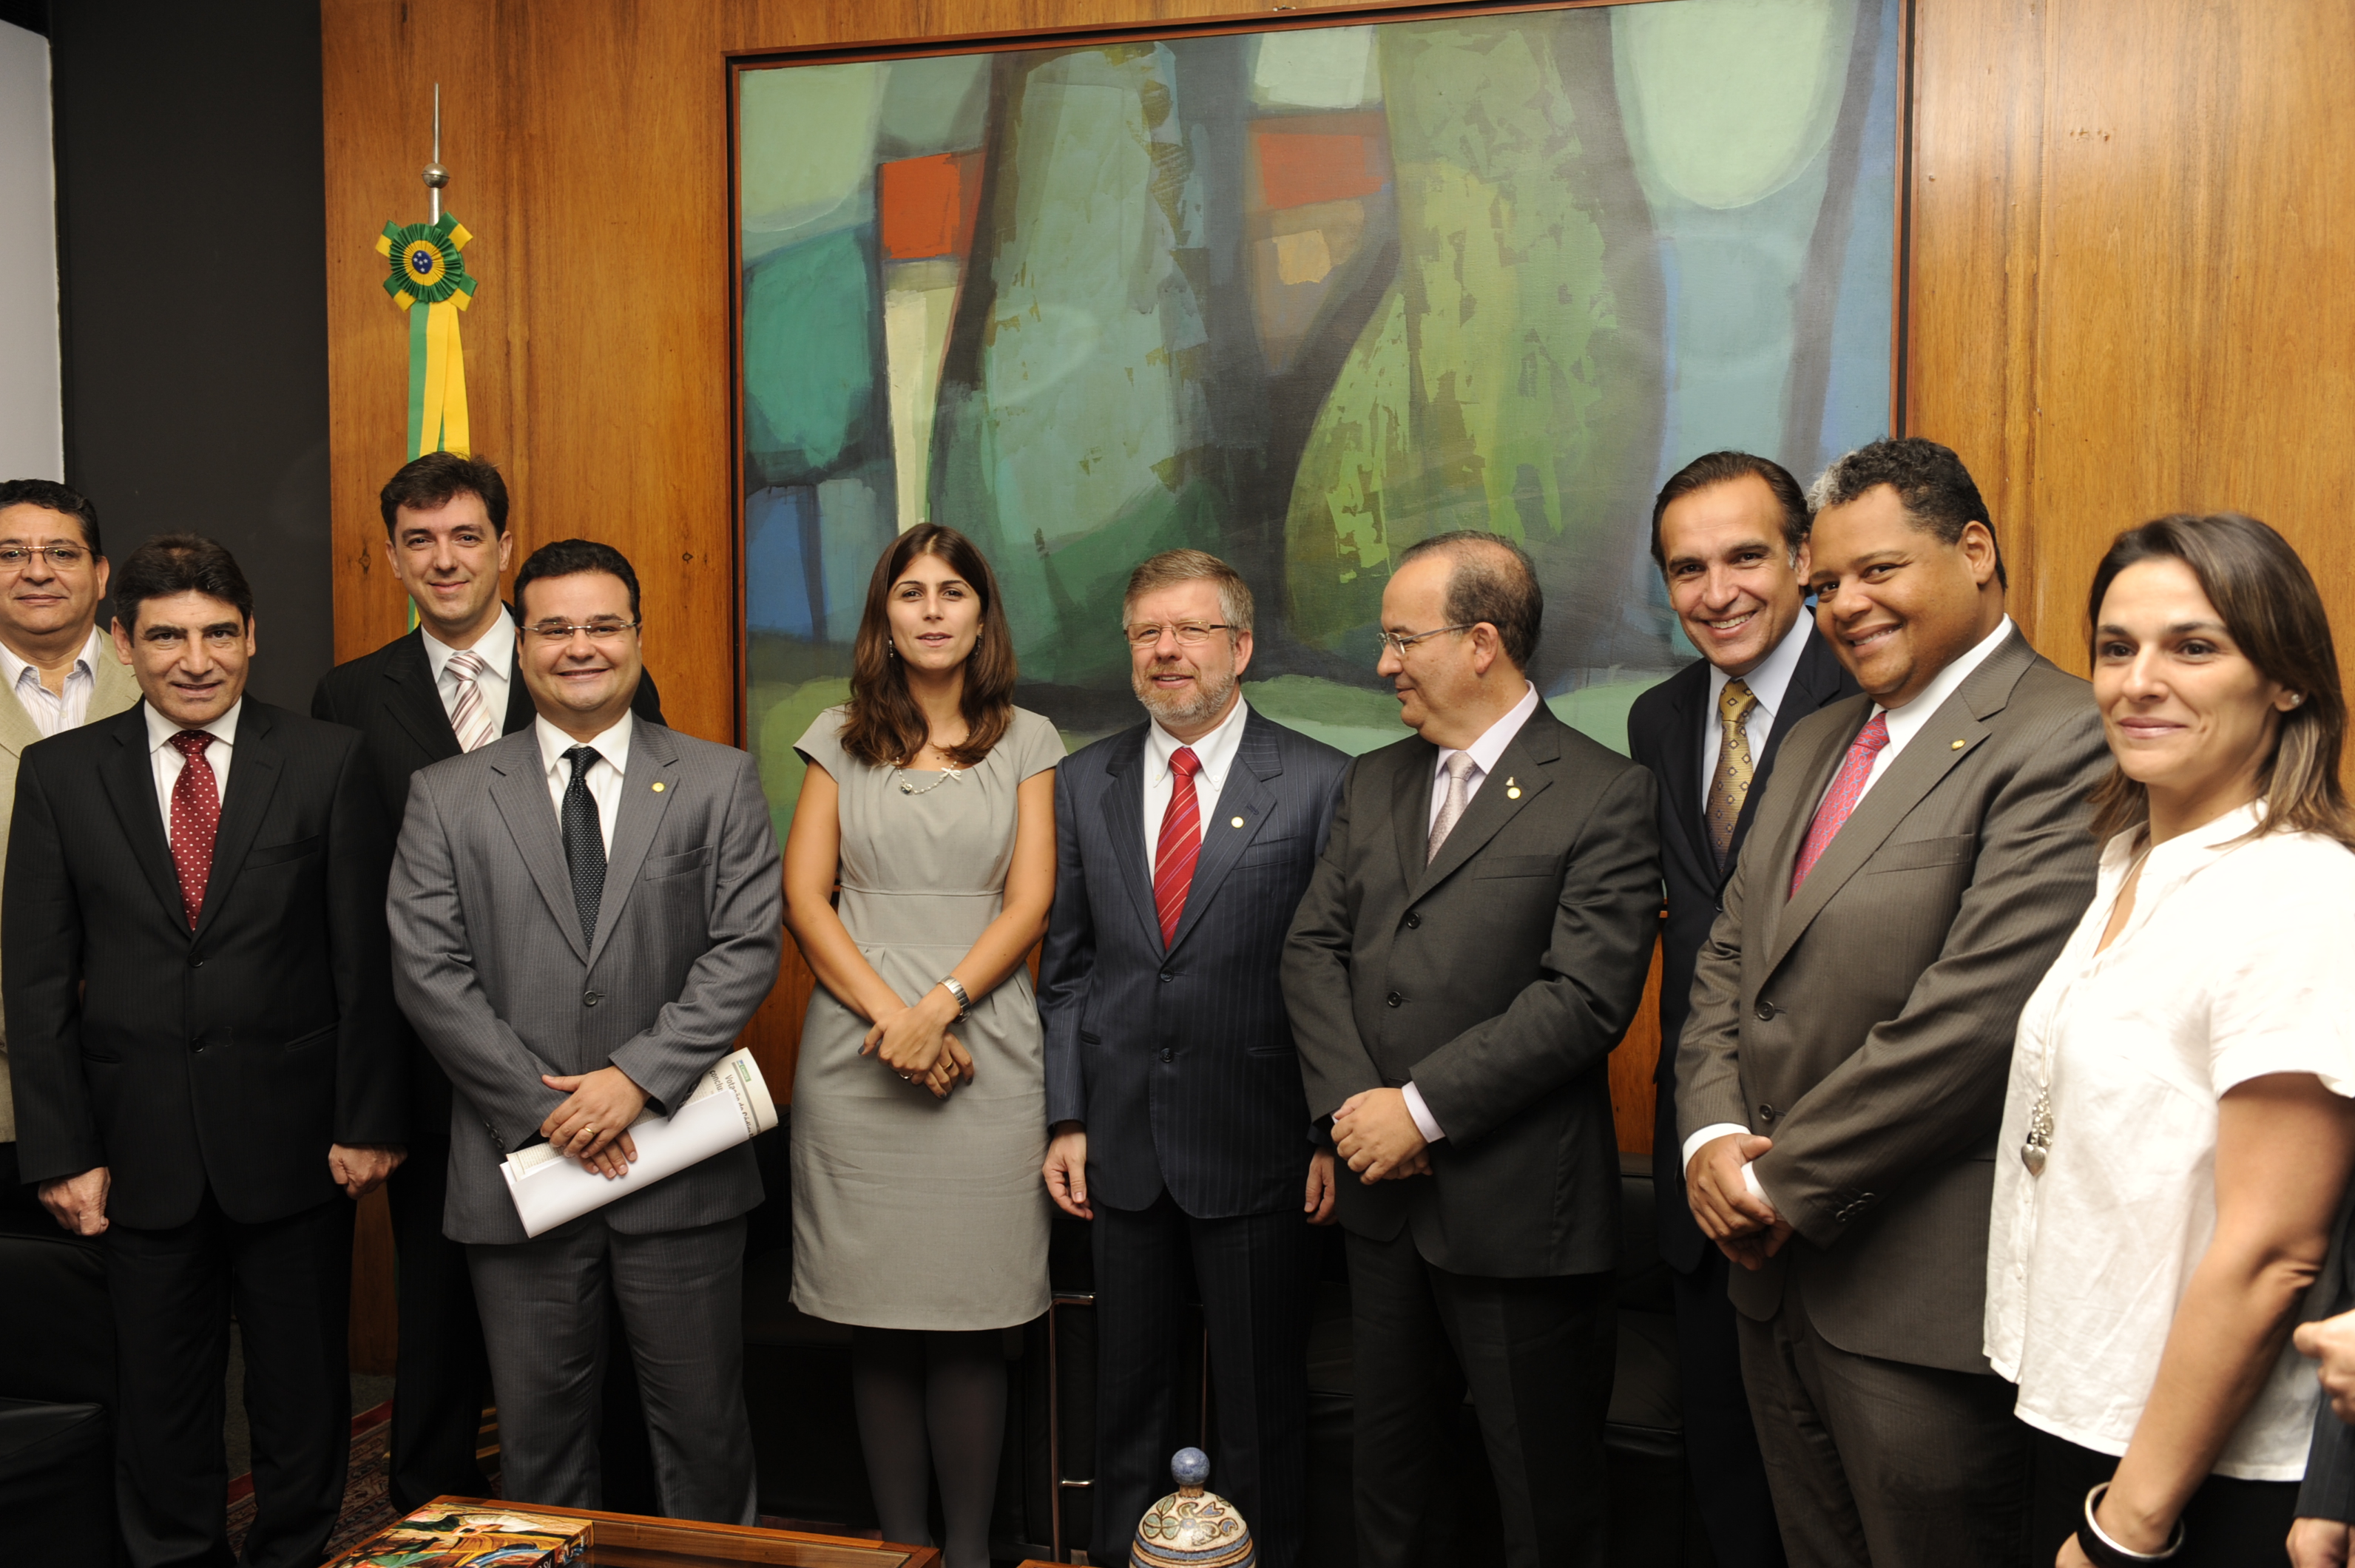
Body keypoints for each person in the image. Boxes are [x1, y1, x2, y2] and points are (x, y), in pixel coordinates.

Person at [1675, 436, 2109, 1568]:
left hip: (1919, 1302)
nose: (1847, 606)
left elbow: (1974, 1021)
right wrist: (1710, 1137)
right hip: (1771, 1287)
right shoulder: (1817, 739)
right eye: (1826, 585)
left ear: (1975, 551)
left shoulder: (2066, 733)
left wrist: (1774, 1183)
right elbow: (1729, 959)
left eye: (1879, 571)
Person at [6, 534, 405, 1568]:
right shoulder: (60, 776)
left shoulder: (325, 760)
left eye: (219, 634)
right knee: (160, 1398)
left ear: (252, 637)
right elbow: (37, 984)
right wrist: (61, 1151)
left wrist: (368, 1120)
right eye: (168, 637)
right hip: (133, 1151)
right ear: (123, 643)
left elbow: (365, 962)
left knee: (301, 1390)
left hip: (297, 1145)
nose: (197, 660)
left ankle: (293, 1553)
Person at [1281, 530, 1663, 1568]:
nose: (1384, 663)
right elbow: (1312, 950)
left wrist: (1418, 1111)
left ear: (1481, 642)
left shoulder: (1604, 793)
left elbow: (1584, 999)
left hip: (1520, 1218)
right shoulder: (1372, 784)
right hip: (1383, 1210)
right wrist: (1358, 1110)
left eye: (1403, 639)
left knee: (1545, 1508)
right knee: (1392, 1496)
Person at [1981, 513, 2355, 1568]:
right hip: (2081, 1412)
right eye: (2116, 648)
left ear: (2286, 681)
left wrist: (2126, 1528)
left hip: (2196, 1474)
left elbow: (2274, 1252)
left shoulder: (2298, 892)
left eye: (2193, 647)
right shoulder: (2128, 861)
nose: (2138, 682)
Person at [385, 538, 778, 1521]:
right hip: (521, 1171)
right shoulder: (446, 793)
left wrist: (632, 1081)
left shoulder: (719, 779)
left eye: (603, 625)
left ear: (638, 636)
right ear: (522, 646)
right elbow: (428, 970)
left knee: (704, 1437)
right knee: (538, 1445)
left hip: (680, 1169)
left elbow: (744, 949)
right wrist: (545, 1108)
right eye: (554, 628)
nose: (580, 646)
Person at [311, 451, 666, 1511]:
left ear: (505, 546)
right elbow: (353, 913)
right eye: (419, 541)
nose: (445, 559)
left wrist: (629, 1067)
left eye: (467, 535)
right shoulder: (348, 694)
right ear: (391, 558)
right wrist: (367, 1102)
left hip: (591, 1074)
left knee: (601, 1318)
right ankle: (431, 1512)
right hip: (436, 1072)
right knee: (438, 1317)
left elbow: (640, 872)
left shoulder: (589, 661)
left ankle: (611, 1517)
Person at [1038, 549, 1350, 1568]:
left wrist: (1327, 1130)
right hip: (1120, 1146)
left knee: (1262, 1406)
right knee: (1125, 1401)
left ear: (1241, 646)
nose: (1166, 650)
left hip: (1262, 1146)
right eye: (1146, 633)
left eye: (1190, 630)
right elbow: (1067, 969)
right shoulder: (1082, 782)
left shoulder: (1320, 782)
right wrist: (1067, 1114)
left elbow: (1337, 975)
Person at [783, 524, 1061, 1568]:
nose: (933, 610)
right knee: (879, 1318)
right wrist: (894, 1020)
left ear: (983, 616)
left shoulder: (1029, 738)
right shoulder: (834, 734)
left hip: (987, 1045)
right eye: (911, 592)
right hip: (857, 1051)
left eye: (953, 591)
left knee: (973, 1314)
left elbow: (1030, 901)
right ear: (884, 617)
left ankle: (973, 1555)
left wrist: (937, 1007)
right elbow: (806, 898)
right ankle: (901, 1552)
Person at [1626, 450, 1856, 1568]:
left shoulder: (1870, 694)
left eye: (1746, 557)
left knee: (1846, 1508)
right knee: (1727, 1489)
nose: (1716, 593)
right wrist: (1705, 1134)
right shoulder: (1660, 717)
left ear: (1804, 558)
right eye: (1687, 569)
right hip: (1702, 1164)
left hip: (1847, 1171)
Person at [0, 479, 140, 1216]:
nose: (36, 570)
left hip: (159, 1083)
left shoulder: (172, 679)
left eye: (61, 552)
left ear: (101, 571)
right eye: (10, 554)